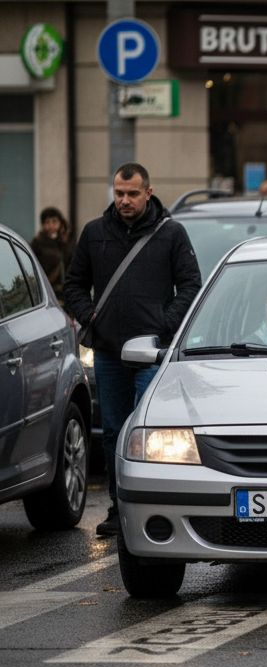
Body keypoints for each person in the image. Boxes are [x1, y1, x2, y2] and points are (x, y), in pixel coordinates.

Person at [65, 162, 202, 537]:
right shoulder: (95, 233)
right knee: (112, 431)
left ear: (149, 193)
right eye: (119, 193)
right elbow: (74, 284)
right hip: (109, 352)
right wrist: (89, 317)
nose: (124, 200)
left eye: (132, 194)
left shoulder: (171, 234)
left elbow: (191, 286)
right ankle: (117, 507)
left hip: (151, 354)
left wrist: (162, 325)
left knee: (146, 430)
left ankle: (151, 507)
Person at [30, 207, 74, 301]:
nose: (51, 226)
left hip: (66, 292)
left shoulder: (67, 242)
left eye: (54, 221)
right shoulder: (37, 243)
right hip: (47, 291)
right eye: (47, 222)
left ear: (60, 223)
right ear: (43, 225)